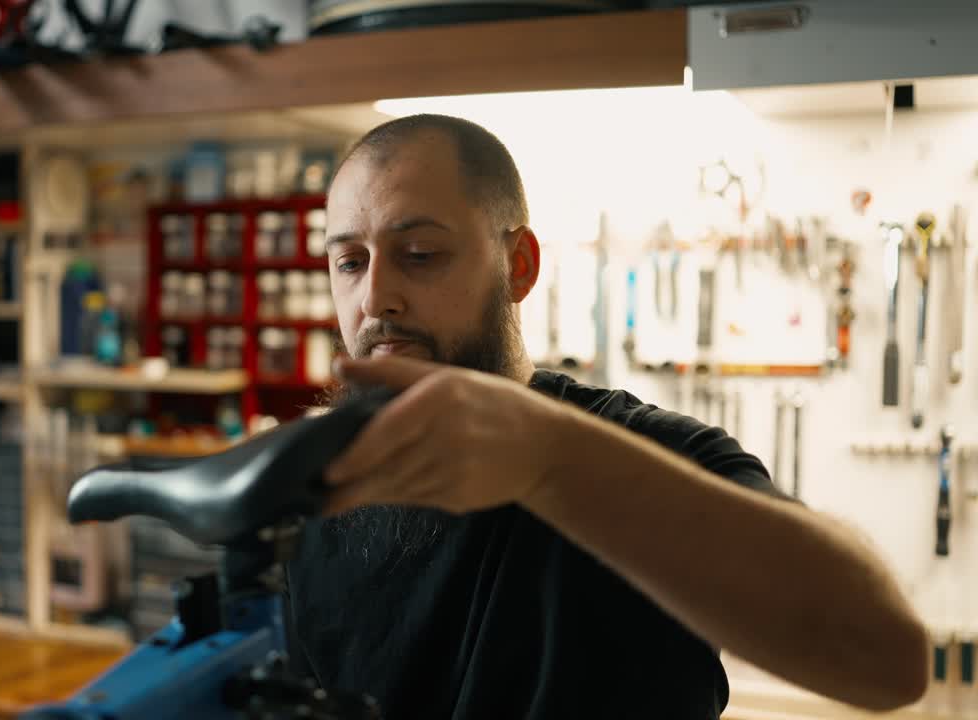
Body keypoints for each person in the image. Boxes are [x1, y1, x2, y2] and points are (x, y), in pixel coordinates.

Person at [282, 114, 928, 719]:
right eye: (349, 262)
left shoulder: (650, 452)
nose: (374, 298)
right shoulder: (314, 486)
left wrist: (551, 462)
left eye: (420, 253)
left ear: (520, 266)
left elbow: (888, 663)